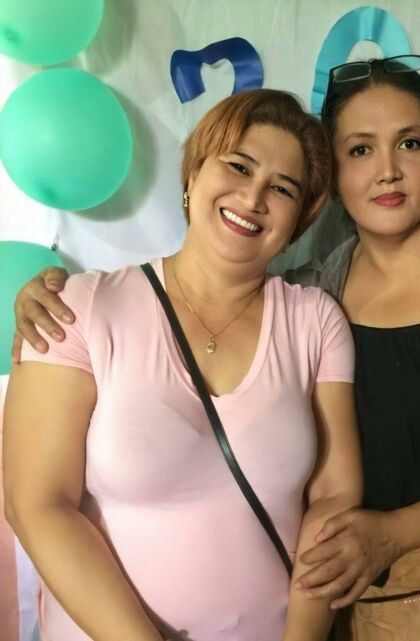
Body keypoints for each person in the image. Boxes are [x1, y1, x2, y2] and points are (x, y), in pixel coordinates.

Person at [11, 55, 420, 641]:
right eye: (360, 149)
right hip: (356, 608)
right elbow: (39, 497)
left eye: (410, 143)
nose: (387, 171)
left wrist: (392, 534)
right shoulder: (316, 295)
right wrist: (49, 304)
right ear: (334, 182)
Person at [3, 88, 362, 641]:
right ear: (193, 174)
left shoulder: (316, 321)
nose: (253, 196)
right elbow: (37, 505)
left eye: (282, 188)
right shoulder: (78, 308)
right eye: (238, 166)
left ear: (299, 220)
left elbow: (334, 498)